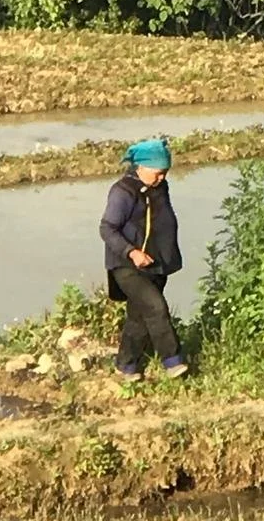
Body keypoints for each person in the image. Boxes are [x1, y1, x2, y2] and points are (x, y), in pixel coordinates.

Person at [100, 137, 188, 381]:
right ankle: (173, 361)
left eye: (165, 173)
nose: (162, 178)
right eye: (158, 173)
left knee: (139, 317)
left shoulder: (160, 187)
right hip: (127, 265)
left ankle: (126, 366)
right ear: (140, 167)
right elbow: (107, 228)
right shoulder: (122, 192)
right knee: (156, 307)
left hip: (156, 263)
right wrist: (132, 252)